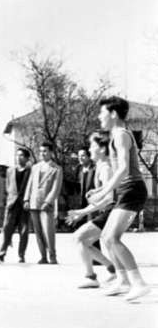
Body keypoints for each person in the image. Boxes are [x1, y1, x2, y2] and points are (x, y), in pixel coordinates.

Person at [87, 96, 150, 301]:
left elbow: (123, 168)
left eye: (102, 112)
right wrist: (103, 191)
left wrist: (104, 191)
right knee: (106, 236)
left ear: (113, 114)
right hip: (126, 190)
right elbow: (119, 172)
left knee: (112, 237)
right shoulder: (116, 135)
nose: (99, 117)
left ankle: (138, 283)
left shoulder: (121, 134)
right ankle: (123, 281)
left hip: (132, 190)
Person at [66, 131, 117, 288]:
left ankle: (91, 276)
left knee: (79, 238)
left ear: (102, 149)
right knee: (84, 241)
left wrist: (81, 213)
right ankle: (112, 269)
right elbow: (104, 192)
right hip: (107, 211)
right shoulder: (102, 166)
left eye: (92, 145)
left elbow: (108, 199)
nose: (90, 149)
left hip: (111, 212)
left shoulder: (106, 168)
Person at [23, 142, 63, 264]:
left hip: (46, 204)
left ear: (51, 152)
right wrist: (26, 199)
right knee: (38, 231)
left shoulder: (57, 169)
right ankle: (43, 256)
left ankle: (52, 256)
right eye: (40, 151)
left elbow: (56, 188)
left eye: (45, 151)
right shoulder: (35, 167)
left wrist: (48, 201)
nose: (42, 153)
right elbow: (29, 184)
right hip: (34, 203)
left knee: (48, 231)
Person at [0, 148, 32, 263]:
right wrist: (9, 198)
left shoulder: (31, 171)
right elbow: (8, 186)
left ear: (27, 158)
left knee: (24, 230)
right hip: (12, 203)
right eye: (17, 155)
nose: (18, 157)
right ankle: (2, 252)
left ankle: (21, 255)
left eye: (21, 155)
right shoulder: (10, 171)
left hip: (24, 204)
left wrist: (28, 200)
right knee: (7, 228)